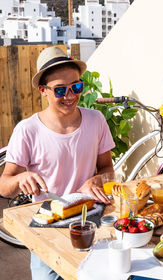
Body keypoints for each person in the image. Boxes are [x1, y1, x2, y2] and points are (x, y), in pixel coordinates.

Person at [0, 46, 115, 280]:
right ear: (43, 90)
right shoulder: (27, 130)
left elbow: (108, 170)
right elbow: (4, 185)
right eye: (60, 90)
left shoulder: (96, 120)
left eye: (76, 87)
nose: (70, 96)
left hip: (91, 223)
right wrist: (21, 178)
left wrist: (97, 179)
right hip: (47, 230)